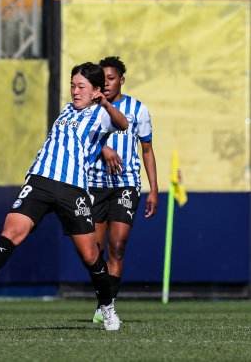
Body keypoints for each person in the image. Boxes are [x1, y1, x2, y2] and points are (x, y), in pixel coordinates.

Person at [0, 62, 128, 331]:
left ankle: (106, 306)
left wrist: (106, 104)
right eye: (72, 85)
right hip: (40, 179)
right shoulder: (67, 110)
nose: (74, 91)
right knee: (12, 229)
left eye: (81, 86)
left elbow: (123, 124)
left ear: (96, 91)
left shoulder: (100, 114)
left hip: (72, 188)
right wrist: (103, 147)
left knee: (90, 255)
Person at [89, 56, 158, 324]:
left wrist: (154, 189)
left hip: (126, 185)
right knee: (94, 250)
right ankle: (103, 297)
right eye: (102, 79)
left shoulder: (137, 109)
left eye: (111, 78)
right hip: (95, 184)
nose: (106, 84)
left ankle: (107, 305)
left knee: (117, 247)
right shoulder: (88, 109)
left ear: (121, 80)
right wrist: (103, 149)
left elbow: (148, 150)